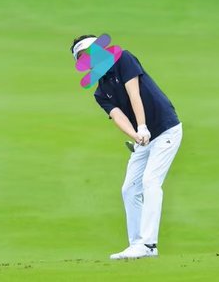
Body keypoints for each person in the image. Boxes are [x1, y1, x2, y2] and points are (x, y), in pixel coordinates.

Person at [71, 35, 183, 260]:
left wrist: (142, 125)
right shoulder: (100, 92)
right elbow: (118, 116)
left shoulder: (123, 59)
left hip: (166, 129)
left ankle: (149, 245)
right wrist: (135, 134)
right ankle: (137, 245)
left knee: (150, 181)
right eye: (84, 57)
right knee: (129, 189)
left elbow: (135, 94)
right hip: (143, 139)